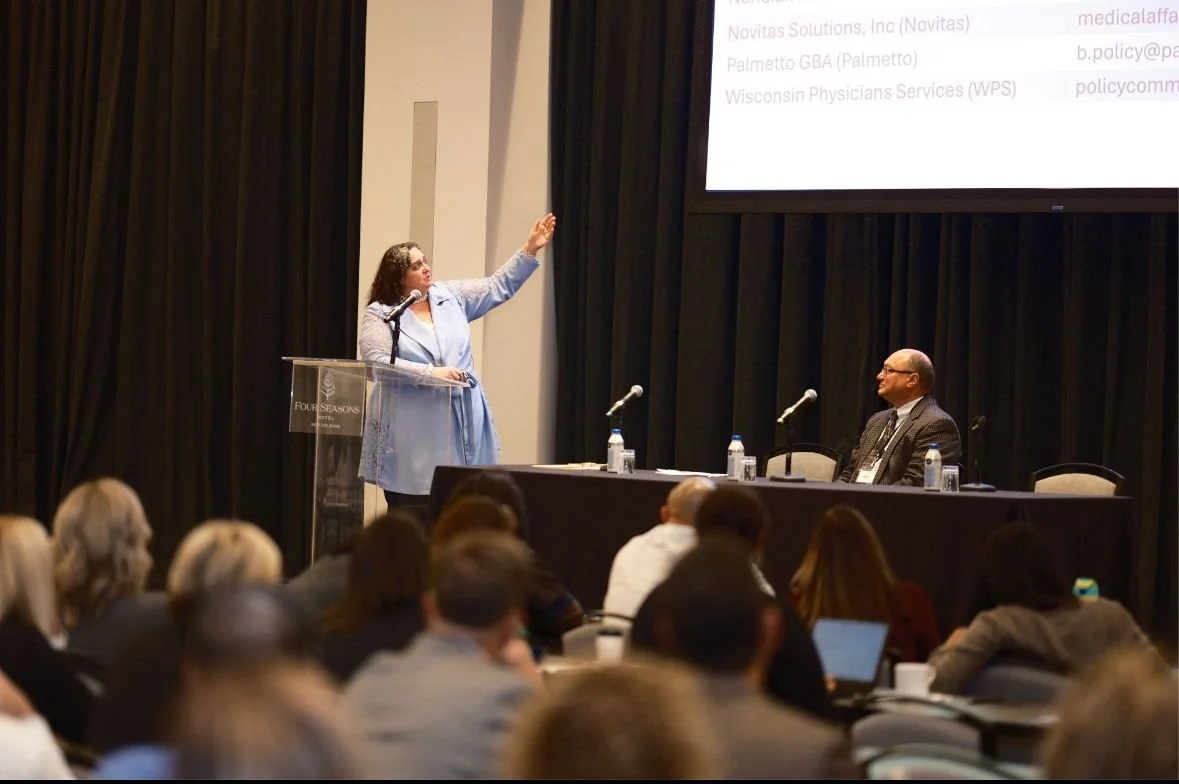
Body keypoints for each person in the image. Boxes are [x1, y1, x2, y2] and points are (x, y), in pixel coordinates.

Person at [357, 214, 557, 511]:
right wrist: (432, 374)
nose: (426, 268)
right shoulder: (382, 313)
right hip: (412, 436)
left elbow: (495, 286)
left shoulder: (449, 295)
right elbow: (376, 364)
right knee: (418, 520)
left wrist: (529, 249)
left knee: (465, 514)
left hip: (462, 424)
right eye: (416, 265)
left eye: (425, 261)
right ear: (398, 277)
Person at [928, 522, 1162, 694]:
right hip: (1104, 744)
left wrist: (949, 647)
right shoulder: (1109, 615)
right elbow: (1158, 678)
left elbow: (935, 684)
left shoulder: (999, 623)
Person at [792, 505, 941, 662]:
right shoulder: (908, 601)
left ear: (815, 555)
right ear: (872, 550)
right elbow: (933, 668)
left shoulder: (800, 606)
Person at [837, 348, 961, 486]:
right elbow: (850, 472)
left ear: (912, 380)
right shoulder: (876, 420)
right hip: (855, 500)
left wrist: (864, 500)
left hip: (888, 505)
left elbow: (915, 483)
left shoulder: (936, 424)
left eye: (888, 370)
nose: (879, 376)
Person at [603, 477, 715, 619]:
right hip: (656, 638)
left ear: (664, 514)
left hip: (609, 637)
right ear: (712, 520)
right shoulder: (710, 556)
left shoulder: (634, 545)